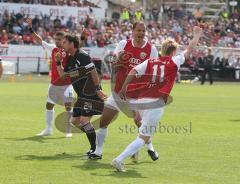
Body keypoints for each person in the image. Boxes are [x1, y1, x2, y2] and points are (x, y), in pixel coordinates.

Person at [111, 26, 202, 172]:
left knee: (143, 133)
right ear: (173, 52)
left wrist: (123, 88)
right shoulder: (175, 61)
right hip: (156, 102)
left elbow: (133, 71)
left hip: (141, 100)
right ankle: (119, 159)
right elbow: (190, 48)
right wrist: (197, 35)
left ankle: (143, 151)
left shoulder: (151, 61)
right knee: (144, 136)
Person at [89, 21, 159, 161]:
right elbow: (115, 63)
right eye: (138, 30)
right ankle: (98, 151)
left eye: (143, 31)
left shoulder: (151, 50)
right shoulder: (123, 44)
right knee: (104, 121)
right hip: (118, 92)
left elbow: (153, 72)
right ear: (132, 31)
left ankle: (150, 147)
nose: (141, 33)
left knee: (140, 124)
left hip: (136, 95)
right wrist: (118, 59)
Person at [56, 34, 107, 154]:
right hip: (81, 96)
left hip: (90, 93)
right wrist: (58, 63)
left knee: (84, 121)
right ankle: (95, 137)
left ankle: (95, 148)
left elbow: (93, 71)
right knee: (74, 122)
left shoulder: (82, 56)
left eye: (64, 42)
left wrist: (98, 89)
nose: (62, 44)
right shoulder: (70, 58)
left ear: (71, 44)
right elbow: (63, 76)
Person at [26, 18, 73, 137]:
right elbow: (39, 40)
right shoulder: (53, 48)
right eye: (55, 39)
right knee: (49, 105)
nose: (57, 41)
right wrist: (30, 28)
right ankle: (48, 129)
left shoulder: (70, 51)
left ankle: (68, 129)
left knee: (68, 106)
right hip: (54, 84)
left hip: (67, 84)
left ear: (64, 40)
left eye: (59, 39)